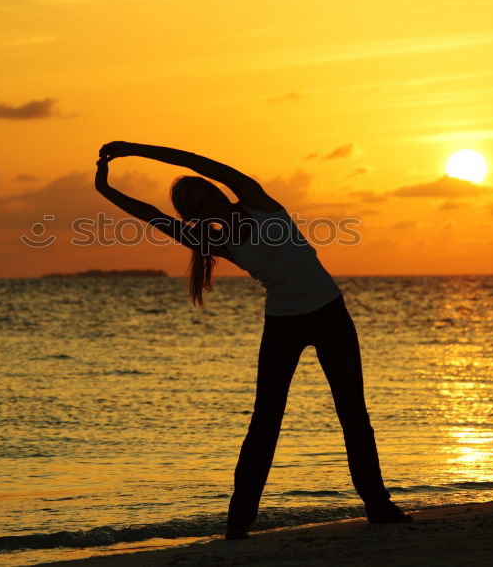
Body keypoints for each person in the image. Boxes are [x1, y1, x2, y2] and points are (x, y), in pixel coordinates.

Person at [94, 141, 411, 539]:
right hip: (282, 322)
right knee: (265, 423)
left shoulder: (256, 199)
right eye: (196, 202)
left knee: (353, 413)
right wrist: (105, 191)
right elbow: (152, 216)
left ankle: (378, 505)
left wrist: (132, 149)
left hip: (329, 311)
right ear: (193, 214)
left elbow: (196, 161)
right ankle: (238, 522)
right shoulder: (213, 242)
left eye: (206, 190)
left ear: (217, 190)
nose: (207, 198)